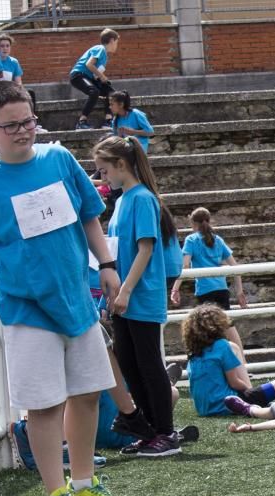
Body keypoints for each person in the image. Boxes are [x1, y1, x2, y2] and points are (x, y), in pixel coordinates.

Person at [0, 81, 129, 496]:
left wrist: (106, 263)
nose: (23, 131)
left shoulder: (59, 159)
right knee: (44, 404)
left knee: (86, 394)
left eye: (28, 121)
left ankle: (84, 486)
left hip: (77, 300)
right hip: (27, 307)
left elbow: (88, 214)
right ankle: (55, 495)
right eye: (11, 126)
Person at [96, 135, 180, 457]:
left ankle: (165, 433)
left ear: (121, 165)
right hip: (124, 298)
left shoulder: (143, 198)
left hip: (140, 295)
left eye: (104, 170)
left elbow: (146, 249)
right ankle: (147, 430)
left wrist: (126, 290)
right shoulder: (123, 200)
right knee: (130, 365)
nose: (102, 177)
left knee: (149, 364)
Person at [182, 304, 275, 417]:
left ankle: (273, 410)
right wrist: (251, 390)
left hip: (204, 410)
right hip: (229, 404)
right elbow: (234, 383)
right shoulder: (221, 345)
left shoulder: (193, 353)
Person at [171, 206, 247, 356]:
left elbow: (185, 265)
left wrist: (175, 288)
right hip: (222, 289)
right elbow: (235, 267)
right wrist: (239, 292)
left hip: (205, 290)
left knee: (205, 330)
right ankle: (241, 362)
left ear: (193, 223)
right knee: (227, 326)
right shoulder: (218, 240)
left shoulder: (191, 240)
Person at [71, 28, 119, 130]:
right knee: (94, 91)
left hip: (89, 77)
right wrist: (102, 76)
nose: (116, 45)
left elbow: (95, 73)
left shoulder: (105, 56)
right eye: (116, 42)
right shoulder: (100, 48)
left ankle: (108, 120)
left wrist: (102, 80)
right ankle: (81, 122)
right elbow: (89, 64)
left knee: (110, 92)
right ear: (111, 40)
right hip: (78, 75)